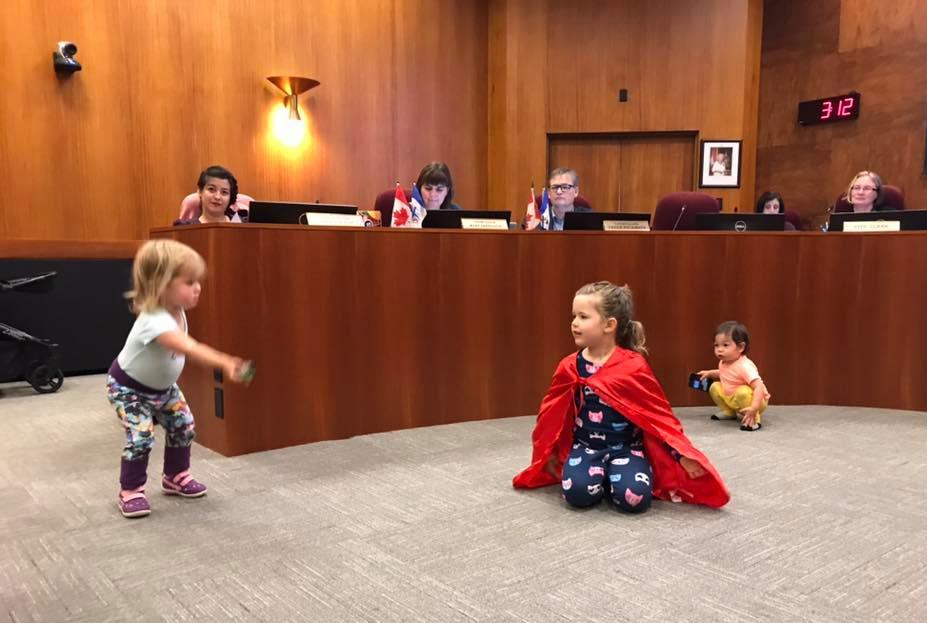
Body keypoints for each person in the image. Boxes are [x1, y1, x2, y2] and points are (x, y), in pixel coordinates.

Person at [513, 281, 729, 512]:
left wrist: (680, 455)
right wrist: (552, 453)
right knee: (577, 495)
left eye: (583, 317)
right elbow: (554, 416)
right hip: (586, 447)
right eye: (574, 316)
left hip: (626, 448)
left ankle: (617, 474)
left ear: (609, 325)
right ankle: (601, 476)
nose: (574, 323)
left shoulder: (633, 366)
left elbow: (657, 417)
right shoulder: (570, 366)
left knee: (634, 500)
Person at [107, 239, 250, 518]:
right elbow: (189, 347)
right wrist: (224, 361)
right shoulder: (154, 319)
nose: (198, 287)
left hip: (163, 388)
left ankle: (175, 476)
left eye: (198, 280)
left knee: (183, 426)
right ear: (161, 284)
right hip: (128, 390)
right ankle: (131, 490)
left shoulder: (176, 309)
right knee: (141, 437)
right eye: (189, 281)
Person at [697, 321, 770, 432]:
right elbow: (725, 373)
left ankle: (754, 419)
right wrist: (710, 373)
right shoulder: (724, 362)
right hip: (733, 398)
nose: (719, 349)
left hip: (755, 400)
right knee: (714, 386)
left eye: (725, 345)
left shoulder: (744, 366)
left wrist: (754, 407)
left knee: (743, 392)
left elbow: (758, 386)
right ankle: (729, 412)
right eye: (716, 345)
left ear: (740, 347)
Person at [175, 165, 250, 224]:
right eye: (211, 189)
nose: (217, 197)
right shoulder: (186, 229)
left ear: (230, 197)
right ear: (200, 191)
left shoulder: (245, 225)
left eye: (224, 192)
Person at [524, 168, 591, 231]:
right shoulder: (534, 220)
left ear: (576, 191)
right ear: (548, 193)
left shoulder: (590, 218)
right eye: (555, 187)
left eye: (565, 187)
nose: (559, 192)